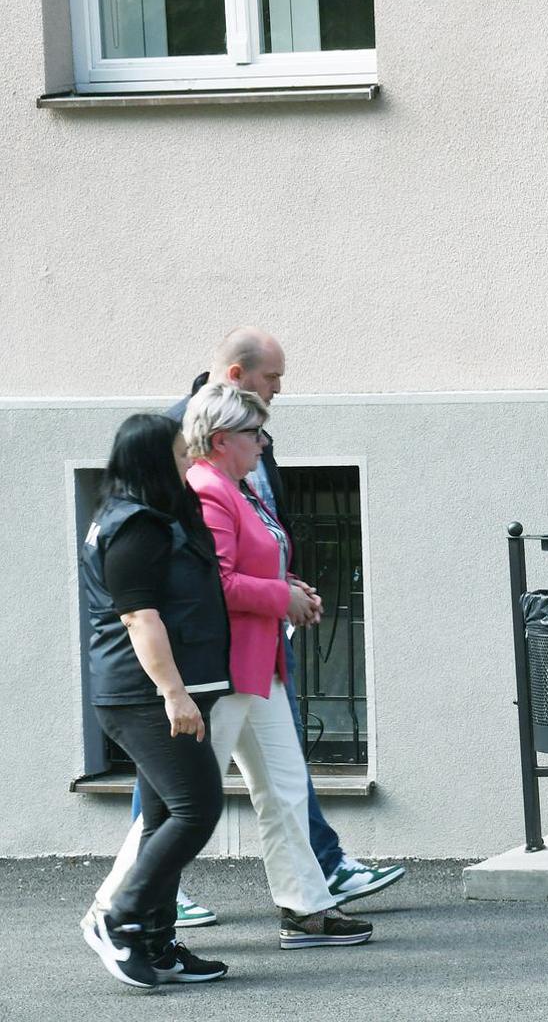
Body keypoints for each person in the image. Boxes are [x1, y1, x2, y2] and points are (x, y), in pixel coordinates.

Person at [129, 327, 403, 928]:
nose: (266, 441)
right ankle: (124, 910)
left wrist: (287, 586)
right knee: (182, 801)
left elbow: (260, 555)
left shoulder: (236, 484)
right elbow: (217, 584)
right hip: (223, 669)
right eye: (256, 434)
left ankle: (305, 908)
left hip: (259, 665)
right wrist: (281, 597)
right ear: (224, 439)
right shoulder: (208, 489)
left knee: (283, 790)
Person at [79, 413, 231, 987]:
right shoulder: (136, 526)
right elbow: (139, 616)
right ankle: (118, 920)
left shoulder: (146, 518)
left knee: (167, 814)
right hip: (144, 694)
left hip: (155, 691)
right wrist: (174, 693)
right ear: (151, 461)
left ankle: (156, 941)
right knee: (197, 808)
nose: (190, 458)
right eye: (180, 451)